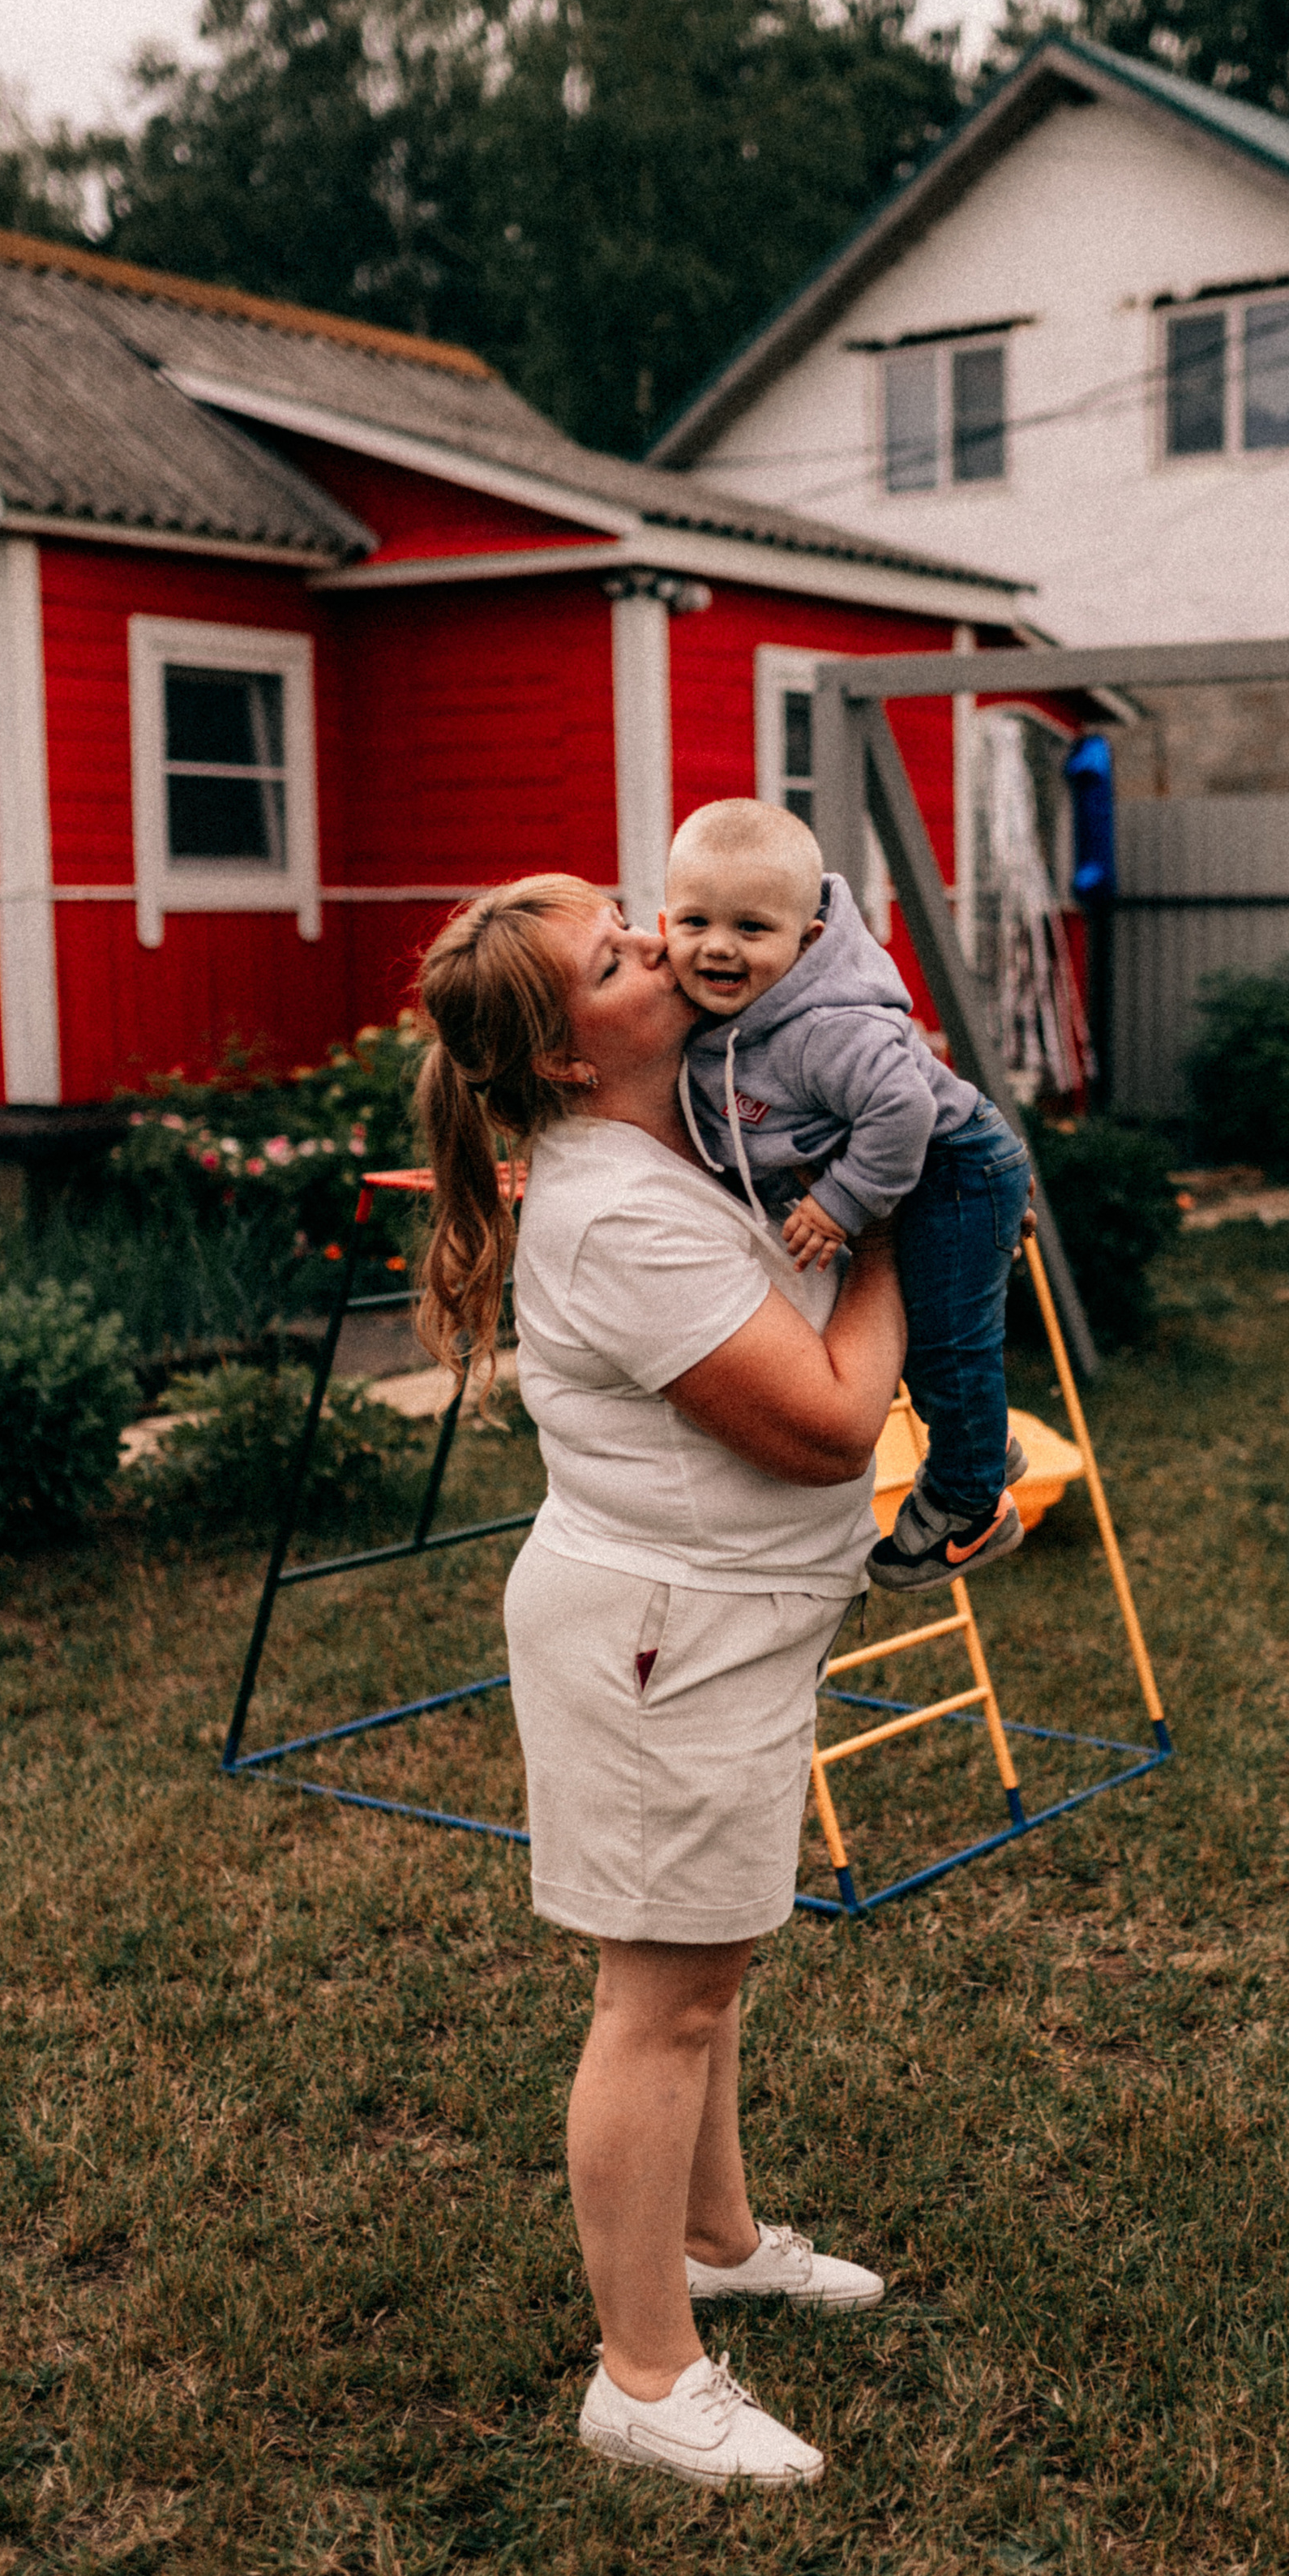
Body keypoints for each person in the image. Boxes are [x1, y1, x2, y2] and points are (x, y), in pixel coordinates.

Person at [412, 872, 906, 2491]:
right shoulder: (614, 1208)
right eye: (619, 953)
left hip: (708, 1628)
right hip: (659, 1646)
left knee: (708, 1966)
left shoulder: (667, 1141)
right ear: (569, 1051)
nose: (664, 945)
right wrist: (917, 1213)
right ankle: (642, 2374)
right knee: (661, 1996)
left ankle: (713, 2237)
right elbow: (832, 1420)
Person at [662, 797, 1033, 1592]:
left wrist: (840, 1203)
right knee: (927, 1337)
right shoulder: (708, 1016)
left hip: (952, 1162)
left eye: (752, 929)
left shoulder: (827, 1026)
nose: (718, 947)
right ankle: (982, 1444)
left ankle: (971, 1508)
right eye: (694, 922)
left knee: (943, 1339)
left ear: (810, 940)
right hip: (908, 1168)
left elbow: (905, 1109)